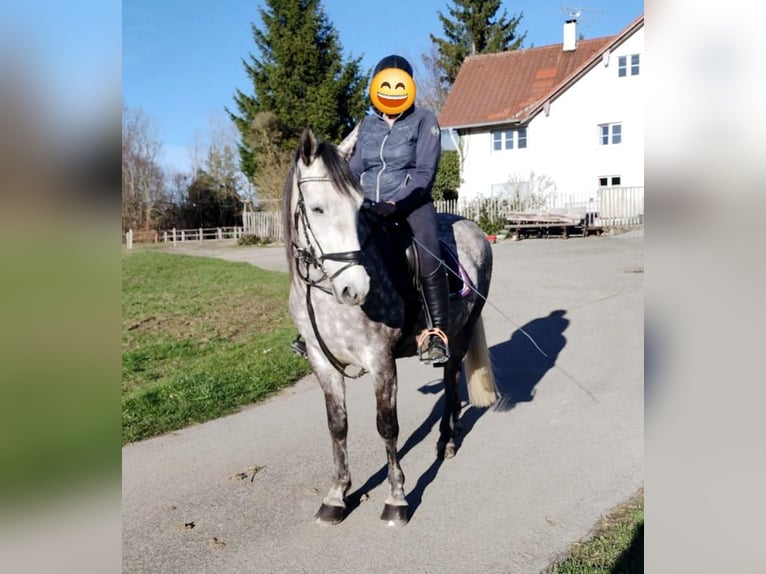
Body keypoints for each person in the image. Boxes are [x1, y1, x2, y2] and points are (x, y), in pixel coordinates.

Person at [348, 54, 450, 365]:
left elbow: (424, 173)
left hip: (410, 203)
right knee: (338, 252)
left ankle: (437, 333)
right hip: (368, 206)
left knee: (427, 253)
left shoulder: (424, 121)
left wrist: (397, 204)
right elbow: (355, 168)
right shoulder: (367, 126)